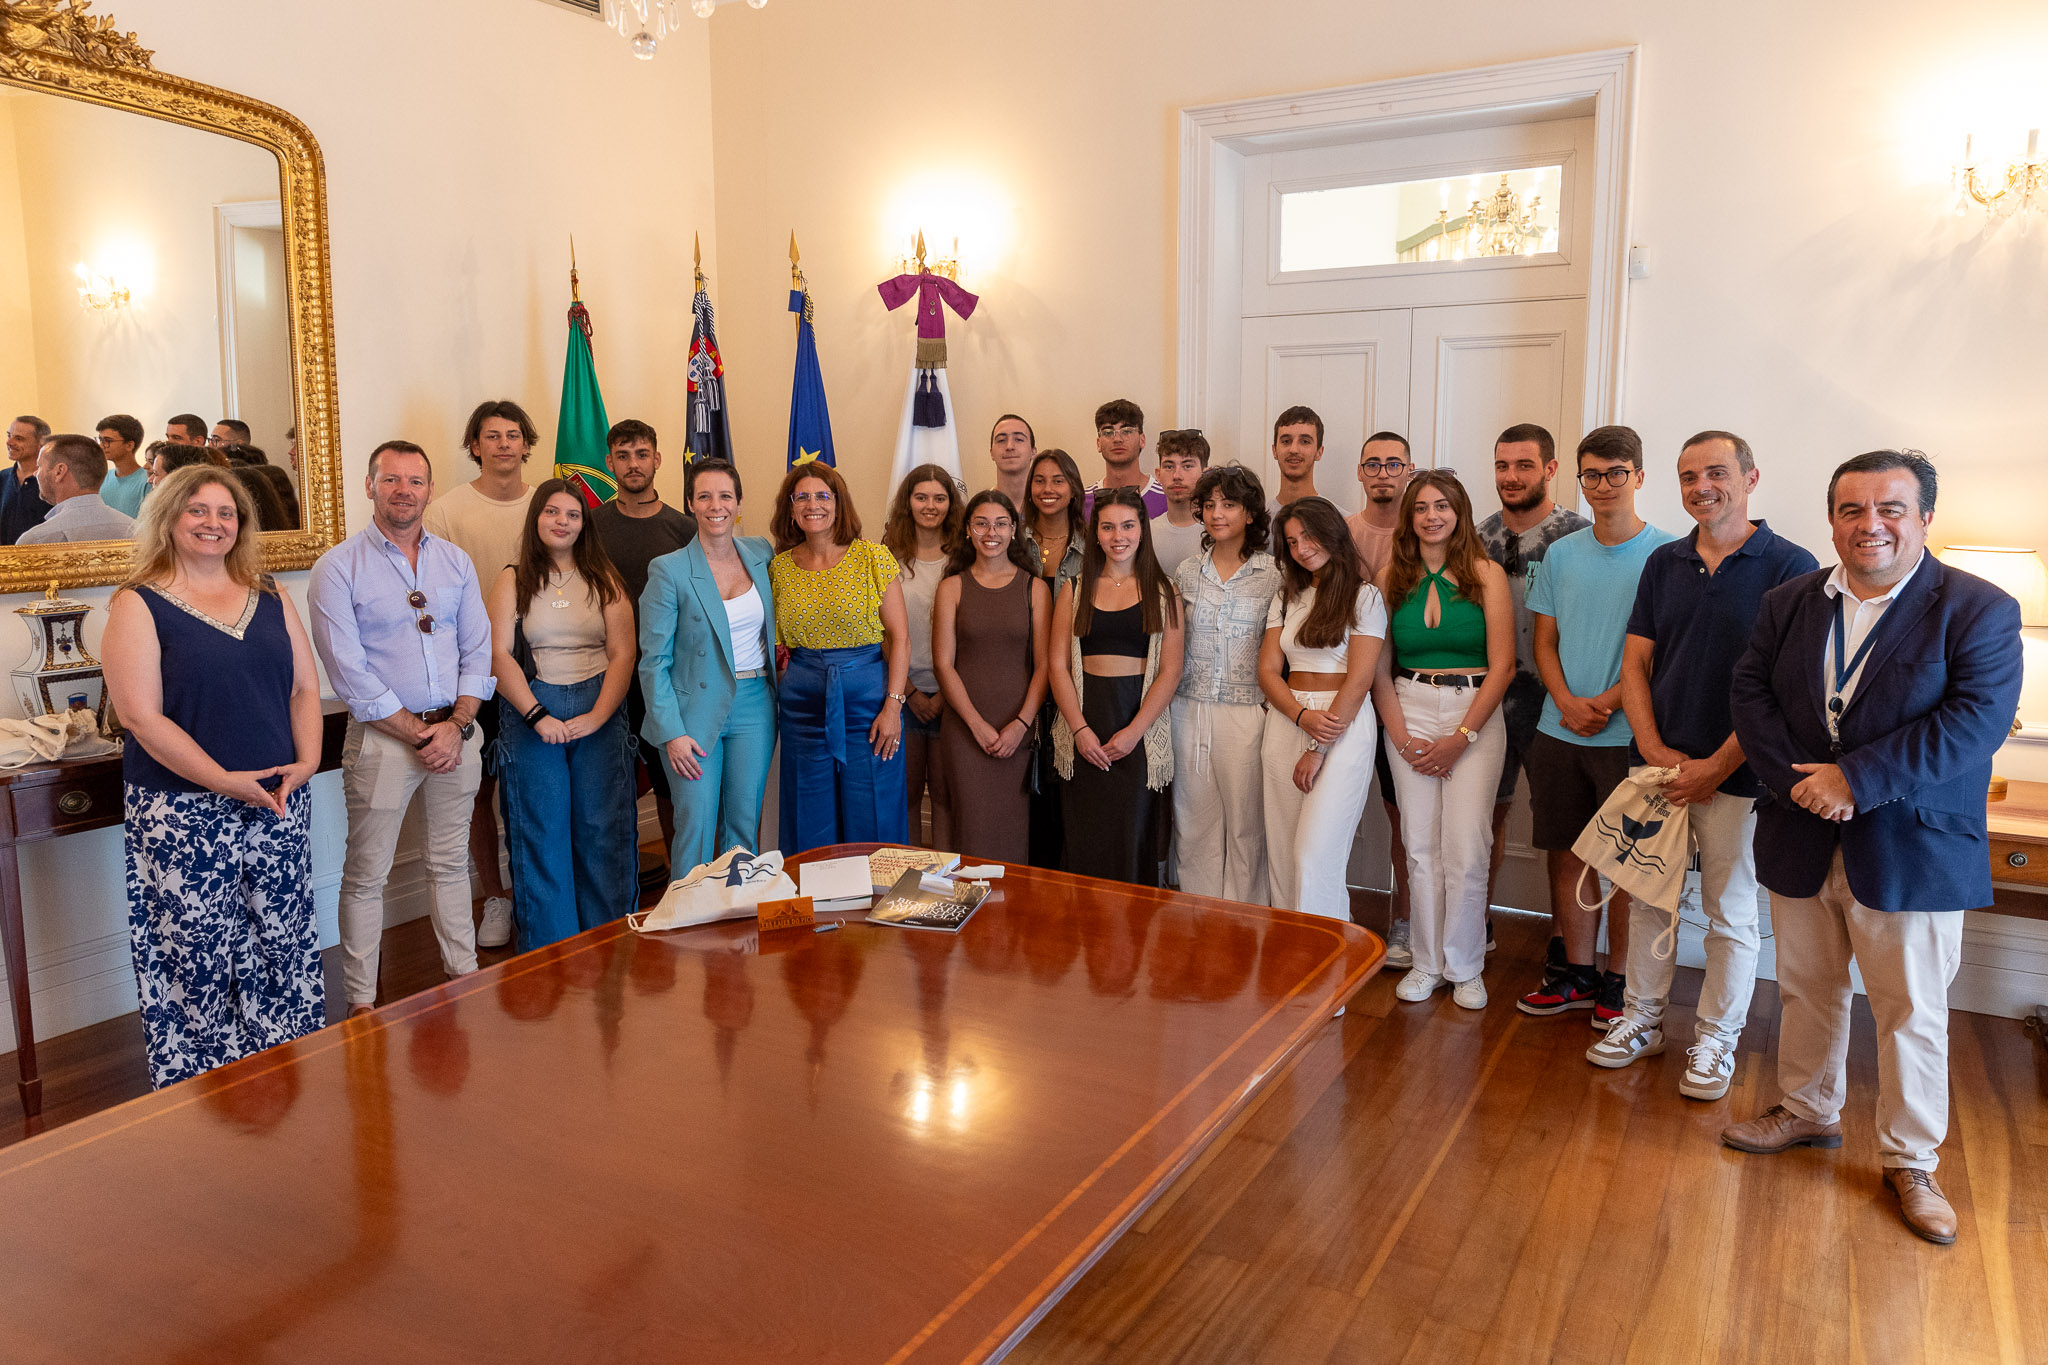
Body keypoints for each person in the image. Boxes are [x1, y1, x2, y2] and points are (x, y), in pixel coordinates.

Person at [1724, 450, 2021, 1246]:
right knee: (1806, 986)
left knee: (1911, 1010)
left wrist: (1854, 778)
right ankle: (1807, 1108)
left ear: (1925, 517)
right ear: (1832, 520)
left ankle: (1911, 1159)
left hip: (1910, 845)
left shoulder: (1979, 608)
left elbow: (1973, 722)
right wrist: (1800, 783)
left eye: (1890, 508)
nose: (1870, 525)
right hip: (1800, 830)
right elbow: (1749, 691)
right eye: (1853, 510)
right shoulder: (1789, 601)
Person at [1589, 431, 1818, 1091]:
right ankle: (1642, 1018)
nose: (1700, 488)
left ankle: (1716, 1038)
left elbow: (1783, 684)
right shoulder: (1663, 562)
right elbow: (1635, 663)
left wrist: (1715, 766)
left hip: (1742, 775)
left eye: (1715, 473)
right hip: (1657, 766)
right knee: (1649, 901)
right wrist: (1658, 752)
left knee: (1730, 912)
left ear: (1749, 476)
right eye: (1688, 477)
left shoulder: (1790, 564)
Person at [101, 464, 324, 1086]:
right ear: (169, 518)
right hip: (181, 812)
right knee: (195, 952)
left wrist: (305, 763)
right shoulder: (136, 602)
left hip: (278, 799)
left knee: (282, 940)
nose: (213, 523)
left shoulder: (273, 595)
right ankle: (204, 1092)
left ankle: (290, 1076)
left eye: (226, 513)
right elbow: (140, 717)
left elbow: (305, 688)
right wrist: (224, 780)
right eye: (198, 510)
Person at [307, 441, 492, 1015]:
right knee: (367, 876)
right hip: (385, 743)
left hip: (456, 736)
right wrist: (420, 733)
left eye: (415, 481)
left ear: (429, 490)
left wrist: (456, 725)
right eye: (391, 480)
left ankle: (464, 978)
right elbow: (349, 671)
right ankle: (362, 1005)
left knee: (451, 863)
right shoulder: (338, 568)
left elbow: (477, 649)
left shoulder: (455, 561)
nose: (403, 491)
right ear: (370, 486)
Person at [1518, 426, 1675, 1027]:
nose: (1603, 485)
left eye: (1616, 473)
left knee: (1628, 865)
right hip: (1559, 729)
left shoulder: (1666, 555)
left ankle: (1621, 981)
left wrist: (1606, 704)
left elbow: (1657, 652)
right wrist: (1565, 699)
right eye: (1592, 475)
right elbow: (1544, 640)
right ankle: (1577, 975)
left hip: (1626, 735)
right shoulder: (1560, 553)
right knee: (1567, 854)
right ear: (1578, 480)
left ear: (1638, 476)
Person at [1371, 474, 1513, 1008]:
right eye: (1422, 508)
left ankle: (1465, 966)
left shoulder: (1486, 574)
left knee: (1467, 846)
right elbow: (1379, 669)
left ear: (1460, 512)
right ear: (1409, 517)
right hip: (1408, 707)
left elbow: (1503, 666)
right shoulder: (1391, 577)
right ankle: (1428, 964)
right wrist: (1401, 735)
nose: (1432, 516)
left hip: (1474, 709)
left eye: (1443, 506)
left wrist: (1462, 736)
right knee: (1419, 847)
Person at [487, 480, 638, 950]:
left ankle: (610, 942)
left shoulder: (605, 578)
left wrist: (597, 716)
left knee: (601, 827)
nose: (562, 521)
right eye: (552, 512)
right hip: (533, 708)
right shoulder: (512, 578)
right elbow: (496, 654)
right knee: (541, 832)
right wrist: (537, 716)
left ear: (583, 524)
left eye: (572, 514)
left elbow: (623, 653)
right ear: (536, 519)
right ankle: (552, 951)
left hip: (599, 706)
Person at [423, 399, 537, 949]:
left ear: (525, 443)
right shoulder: (446, 511)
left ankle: (536, 890)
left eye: (513, 435)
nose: (503, 444)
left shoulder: (549, 503)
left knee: (532, 782)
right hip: (472, 667)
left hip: (543, 666)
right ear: (475, 445)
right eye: (491, 436)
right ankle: (496, 896)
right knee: (477, 788)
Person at [1476, 423, 1589, 971]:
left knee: (1560, 830)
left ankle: (1566, 942)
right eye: (1502, 466)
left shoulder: (1578, 536)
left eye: (1524, 465)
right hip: (1490, 702)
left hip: (1558, 706)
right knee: (1484, 818)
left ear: (1550, 469)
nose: (1511, 477)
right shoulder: (1476, 538)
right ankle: (1477, 923)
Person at [638, 459, 776, 872]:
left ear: (738, 502)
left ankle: (735, 922)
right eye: (704, 496)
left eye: (725, 496)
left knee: (743, 824)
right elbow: (653, 662)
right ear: (690, 504)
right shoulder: (669, 569)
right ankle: (686, 927)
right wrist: (671, 733)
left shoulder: (761, 554)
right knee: (695, 823)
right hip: (692, 715)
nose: (716, 505)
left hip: (756, 704)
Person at [769, 461, 912, 851]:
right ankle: (818, 907)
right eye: (802, 497)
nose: (812, 504)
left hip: (868, 705)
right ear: (791, 507)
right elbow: (778, 644)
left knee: (873, 813)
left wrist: (893, 708)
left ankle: (880, 904)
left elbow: (900, 638)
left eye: (822, 495)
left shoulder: (873, 558)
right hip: (803, 708)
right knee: (808, 815)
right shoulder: (779, 568)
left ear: (838, 503)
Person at [1258, 496, 1385, 921]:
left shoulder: (1364, 597)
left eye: (1308, 536)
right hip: (1286, 719)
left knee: (1314, 855)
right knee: (1282, 852)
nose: (1301, 548)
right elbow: (1268, 671)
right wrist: (1298, 715)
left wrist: (1318, 745)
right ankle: (1291, 954)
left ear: (1332, 533)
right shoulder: (1286, 595)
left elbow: (1361, 679)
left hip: (1341, 726)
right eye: (1292, 542)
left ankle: (1326, 963)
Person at [1050, 488, 1182, 885]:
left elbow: (1170, 671)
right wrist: (1080, 730)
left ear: (1143, 530)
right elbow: (1057, 665)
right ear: (1096, 533)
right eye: (1107, 527)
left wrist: (1134, 733)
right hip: (1085, 721)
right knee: (1085, 841)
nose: (1117, 536)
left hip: (1137, 726)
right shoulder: (1074, 587)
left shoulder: (1164, 590)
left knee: (1132, 839)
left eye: (1127, 525)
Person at [588, 418, 696, 864]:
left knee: (671, 785)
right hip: (602, 675)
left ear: (657, 459)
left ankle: (679, 879)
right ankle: (615, 889)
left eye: (641, 454)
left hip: (664, 679)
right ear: (610, 462)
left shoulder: (684, 529)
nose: (633, 464)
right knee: (608, 788)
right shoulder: (589, 526)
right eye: (623, 455)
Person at [1174, 464, 1281, 902]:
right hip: (1187, 707)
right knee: (1193, 820)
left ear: (1250, 513)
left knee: (1245, 825)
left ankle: (1247, 920)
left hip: (1247, 711)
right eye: (1210, 504)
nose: (1217, 513)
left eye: (1230, 504)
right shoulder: (1185, 573)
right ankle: (1199, 918)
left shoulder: (1274, 575)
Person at [933, 490, 1050, 862]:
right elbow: (943, 664)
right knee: (970, 828)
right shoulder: (951, 586)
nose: (991, 532)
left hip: (1019, 728)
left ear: (1014, 529)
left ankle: (1013, 916)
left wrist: (1020, 724)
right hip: (966, 730)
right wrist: (976, 725)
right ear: (968, 530)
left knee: (1014, 831)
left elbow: (1045, 665)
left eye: (1001, 523)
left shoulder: (1036, 588)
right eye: (981, 523)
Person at [1346, 431, 1417, 963]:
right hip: (1344, 692)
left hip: (1405, 692)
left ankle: (1406, 921)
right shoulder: (1342, 533)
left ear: (1410, 470)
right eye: (1374, 463)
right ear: (1360, 472)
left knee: (1403, 816)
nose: (1384, 472)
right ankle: (1326, 913)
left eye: (1395, 463)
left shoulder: (1427, 531)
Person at [882, 463, 962, 846]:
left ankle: (944, 881)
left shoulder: (964, 555)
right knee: (908, 797)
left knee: (946, 798)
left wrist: (946, 693)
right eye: (921, 497)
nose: (930, 505)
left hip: (954, 696)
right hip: (903, 696)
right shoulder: (886, 556)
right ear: (907, 502)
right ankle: (911, 883)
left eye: (939, 498)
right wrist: (910, 693)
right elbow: (879, 630)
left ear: (951, 503)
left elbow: (971, 631)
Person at [1025, 449, 1087, 869]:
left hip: (1075, 683)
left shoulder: (1092, 544)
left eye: (1058, 480)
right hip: (1024, 682)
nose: (1048, 489)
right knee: (1030, 805)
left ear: (1073, 489)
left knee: (1071, 799)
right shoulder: (1014, 542)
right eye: (1040, 480)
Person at [16, 433, 137, 544]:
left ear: (59, 472)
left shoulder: (35, 541)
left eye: (39, 466)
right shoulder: (136, 531)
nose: (35, 473)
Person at [1083, 399, 1168, 519]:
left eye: (1127, 431)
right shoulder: (1083, 502)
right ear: (1098, 443)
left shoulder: (1166, 498)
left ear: (1142, 440)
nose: (1117, 439)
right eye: (1108, 432)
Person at [1149, 429, 1210, 579]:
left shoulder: (1217, 532)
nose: (1177, 476)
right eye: (1169, 467)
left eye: (1187, 466)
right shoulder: (1146, 533)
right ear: (1158, 474)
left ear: (1205, 473)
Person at [2, 415, 51, 544]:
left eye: (19, 439)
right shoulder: (2, 478)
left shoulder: (54, 481)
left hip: (43, 561)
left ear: (41, 444)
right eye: (9, 435)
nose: (9, 442)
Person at [95, 414, 150, 518]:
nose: (102, 445)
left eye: (108, 441)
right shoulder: (102, 478)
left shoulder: (147, 481)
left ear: (129, 445)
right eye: (100, 440)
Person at [1270, 405, 1325, 509]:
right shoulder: (1257, 521)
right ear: (1274, 451)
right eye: (1286, 441)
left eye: (1305, 442)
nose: (1294, 450)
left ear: (1319, 452)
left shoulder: (1339, 521)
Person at [987, 413, 1036, 510]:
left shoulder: (1048, 507)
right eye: (1001, 440)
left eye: (1018, 439)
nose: (1009, 446)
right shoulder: (980, 509)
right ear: (992, 453)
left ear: (1033, 451)